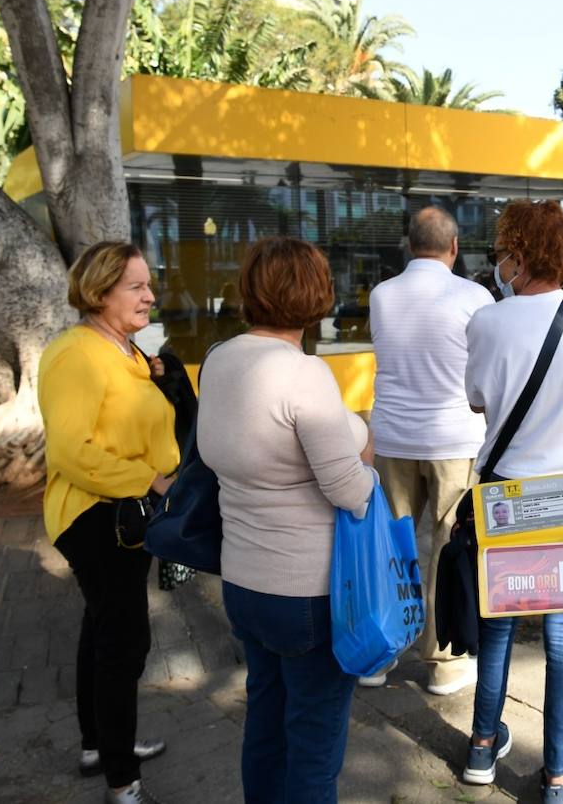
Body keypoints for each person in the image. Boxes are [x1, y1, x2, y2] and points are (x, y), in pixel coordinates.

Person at [198, 237, 376, 804]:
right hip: (308, 594)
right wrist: (368, 464)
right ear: (316, 296)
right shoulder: (304, 373)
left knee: (266, 728)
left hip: (244, 583)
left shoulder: (221, 360)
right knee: (314, 750)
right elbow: (349, 490)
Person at [462, 200, 563, 800]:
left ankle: (482, 747)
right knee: (562, 637)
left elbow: (478, 401)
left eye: (504, 250)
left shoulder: (487, 320)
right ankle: (557, 776)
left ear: (518, 255)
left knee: (498, 626)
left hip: (504, 492)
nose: (500, 263)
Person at [38, 242, 178, 804]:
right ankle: (123, 782)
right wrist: (152, 479)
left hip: (119, 514)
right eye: (136, 287)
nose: (150, 295)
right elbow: (73, 451)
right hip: (97, 517)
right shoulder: (77, 352)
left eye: (149, 284)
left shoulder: (121, 347)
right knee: (125, 641)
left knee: (101, 629)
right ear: (99, 293)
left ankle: (99, 744)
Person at [368, 206, 494, 695]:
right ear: (455, 247)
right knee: (447, 550)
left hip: (394, 437)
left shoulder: (382, 295)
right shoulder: (474, 296)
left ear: (408, 244)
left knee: (391, 550)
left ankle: (377, 656)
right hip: (454, 440)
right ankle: (444, 662)